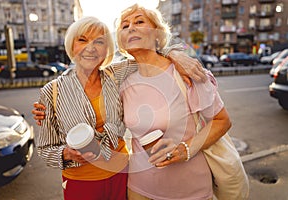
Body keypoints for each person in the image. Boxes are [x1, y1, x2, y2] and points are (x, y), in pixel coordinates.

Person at [34, 15, 206, 200]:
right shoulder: (51, 92)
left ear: (107, 49)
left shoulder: (116, 75)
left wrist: (176, 55)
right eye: (82, 40)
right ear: (71, 45)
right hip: (80, 182)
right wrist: (66, 154)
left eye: (99, 42)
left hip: (123, 175)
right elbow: (45, 149)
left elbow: (149, 55)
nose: (90, 48)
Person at [115, 4, 231, 200]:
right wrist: (46, 108)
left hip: (189, 190)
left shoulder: (187, 73)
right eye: (125, 26)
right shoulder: (122, 82)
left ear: (157, 34)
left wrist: (186, 149)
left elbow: (222, 121)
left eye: (139, 21)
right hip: (139, 187)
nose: (131, 27)